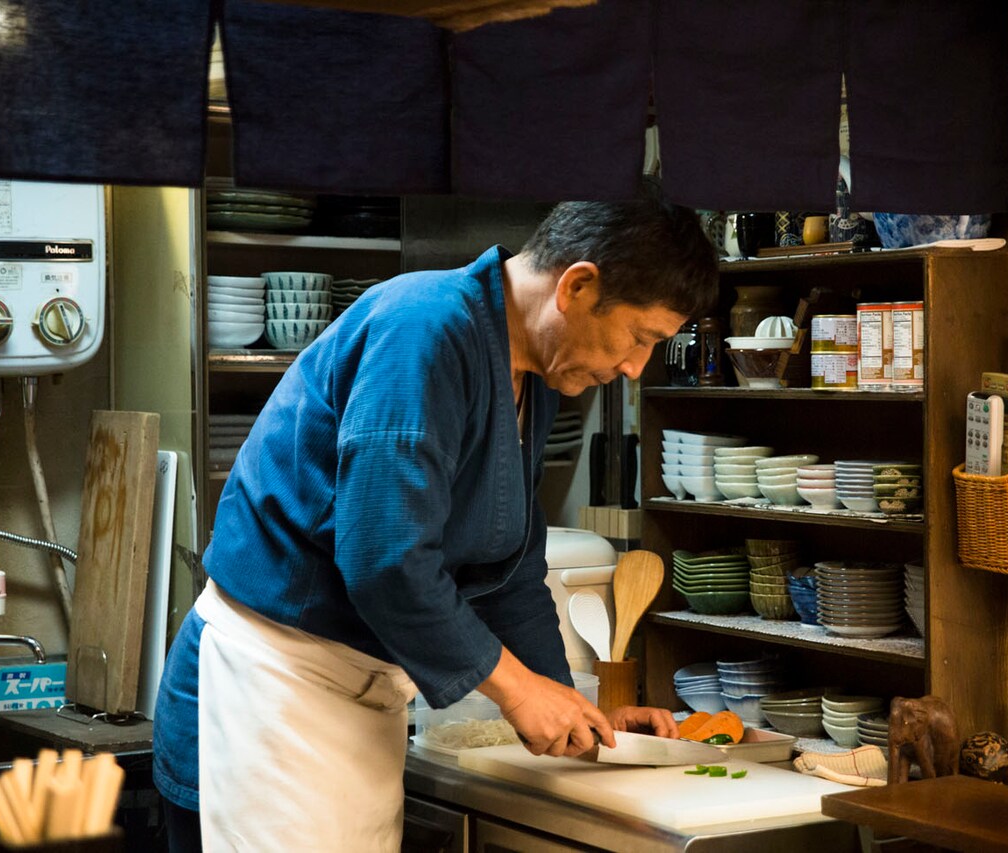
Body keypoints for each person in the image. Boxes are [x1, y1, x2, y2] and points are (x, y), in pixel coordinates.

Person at [152, 193, 721, 851]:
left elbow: (508, 574)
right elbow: (386, 557)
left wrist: (571, 712)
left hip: (356, 705)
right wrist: (517, 692)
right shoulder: (424, 327)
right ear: (578, 285)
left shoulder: (526, 374)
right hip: (271, 691)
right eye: (641, 337)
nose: (634, 367)